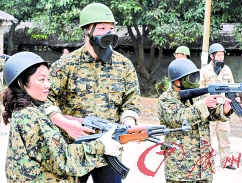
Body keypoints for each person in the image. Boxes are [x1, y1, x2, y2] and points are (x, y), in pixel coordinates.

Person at [42, 3, 141, 183]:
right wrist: (65, 123)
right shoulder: (65, 65)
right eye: (101, 28)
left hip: (109, 150)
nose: (108, 33)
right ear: (86, 32)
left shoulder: (123, 65)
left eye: (111, 28)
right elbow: (43, 100)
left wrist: (129, 123)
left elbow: (131, 101)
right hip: (73, 150)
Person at [2, 52, 122, 182]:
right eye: (41, 79)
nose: (48, 85)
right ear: (21, 83)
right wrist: (102, 145)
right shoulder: (31, 116)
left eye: (48, 79)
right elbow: (62, 160)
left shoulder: (26, 111)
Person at [158, 58, 236, 183]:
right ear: (177, 81)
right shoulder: (166, 99)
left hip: (203, 167)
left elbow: (209, 115)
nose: (195, 80)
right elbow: (178, 119)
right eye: (191, 77)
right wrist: (203, 105)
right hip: (181, 169)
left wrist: (225, 110)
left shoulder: (196, 96)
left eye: (195, 76)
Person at [199, 43, 236, 170]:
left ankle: (226, 162)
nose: (221, 57)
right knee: (207, 136)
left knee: (225, 136)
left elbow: (232, 86)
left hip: (224, 110)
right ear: (212, 56)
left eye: (222, 55)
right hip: (210, 110)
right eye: (218, 55)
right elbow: (200, 90)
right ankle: (205, 162)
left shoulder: (227, 70)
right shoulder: (204, 71)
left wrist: (235, 97)